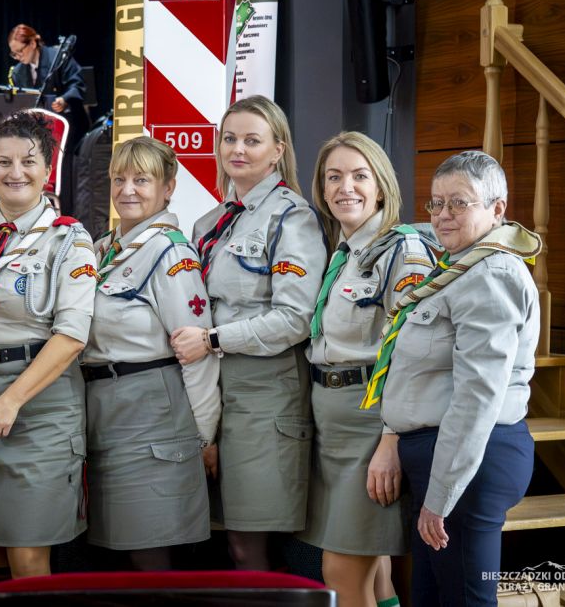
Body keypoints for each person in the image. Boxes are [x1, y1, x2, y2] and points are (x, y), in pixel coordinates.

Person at [367, 150, 540, 606]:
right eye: (436, 203)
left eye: (458, 203)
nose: (443, 215)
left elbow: (476, 397)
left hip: (468, 468)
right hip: (444, 463)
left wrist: (441, 495)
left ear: (497, 209)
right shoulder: (459, 267)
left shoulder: (490, 275)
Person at [171, 95, 326, 570]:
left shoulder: (291, 217)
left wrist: (213, 340)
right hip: (212, 390)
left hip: (265, 392)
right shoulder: (209, 222)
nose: (237, 149)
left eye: (252, 141)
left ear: (278, 150)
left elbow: (295, 319)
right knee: (222, 537)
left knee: (249, 538)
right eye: (230, 138)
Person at [0, 112, 95, 579]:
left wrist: (11, 400)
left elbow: (71, 337)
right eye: (3, 162)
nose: (15, 172)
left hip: (38, 407)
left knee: (27, 552)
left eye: (28, 162)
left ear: (47, 170)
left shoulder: (68, 238)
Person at [298, 132, 436, 607]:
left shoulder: (403, 250)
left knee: (340, 571)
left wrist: (391, 440)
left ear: (381, 187)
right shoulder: (345, 252)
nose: (345, 187)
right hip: (332, 421)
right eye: (333, 177)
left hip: (369, 423)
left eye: (360, 176)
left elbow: (413, 354)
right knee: (375, 574)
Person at [81, 136, 221, 570]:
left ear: (168, 187)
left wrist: (205, 436)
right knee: (114, 556)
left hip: (152, 414)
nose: (127, 190)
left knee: (149, 551)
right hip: (103, 409)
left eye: (141, 180)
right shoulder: (103, 249)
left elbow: (196, 353)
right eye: (118, 179)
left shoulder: (170, 252)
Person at [7, 23, 91, 185]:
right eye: (13, 53)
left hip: (67, 127)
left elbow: (77, 84)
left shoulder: (58, 57)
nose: (17, 57)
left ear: (33, 43)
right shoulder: (18, 71)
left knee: (63, 171)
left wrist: (65, 99)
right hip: (37, 131)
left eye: (20, 51)